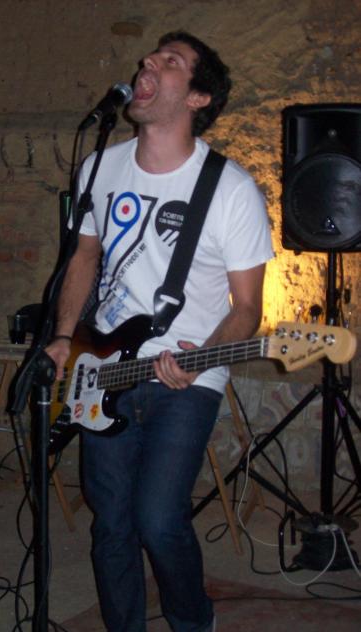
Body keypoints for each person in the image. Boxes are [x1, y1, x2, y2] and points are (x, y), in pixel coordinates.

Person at [46, 31, 273, 632]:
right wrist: (66, 336)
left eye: (171, 62)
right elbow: (84, 257)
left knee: (159, 519)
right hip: (103, 368)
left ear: (198, 97)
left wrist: (204, 357)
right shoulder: (99, 166)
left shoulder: (230, 189)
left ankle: (194, 620)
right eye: (151, 55)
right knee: (111, 524)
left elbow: (248, 308)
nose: (148, 61)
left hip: (186, 374)